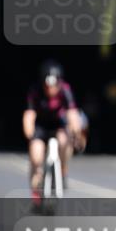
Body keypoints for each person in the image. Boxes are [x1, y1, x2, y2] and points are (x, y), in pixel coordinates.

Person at [22, 61, 82, 205]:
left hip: (58, 125)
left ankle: (62, 168)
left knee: (64, 140)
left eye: (54, 85)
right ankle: (36, 187)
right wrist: (30, 135)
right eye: (47, 85)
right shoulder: (35, 90)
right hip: (40, 126)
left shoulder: (65, 90)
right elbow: (29, 115)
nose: (51, 89)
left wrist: (76, 132)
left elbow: (72, 113)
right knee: (36, 156)